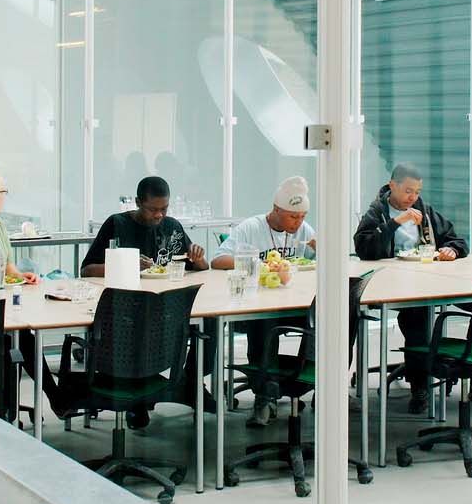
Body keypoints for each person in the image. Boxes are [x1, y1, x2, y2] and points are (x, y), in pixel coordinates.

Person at [353, 162, 469, 415]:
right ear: (392, 186)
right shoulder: (377, 212)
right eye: (407, 191)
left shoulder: (424, 211)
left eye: (417, 192)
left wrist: (452, 249)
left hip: (422, 281)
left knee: (434, 311)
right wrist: (396, 223)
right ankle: (421, 386)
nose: (412, 197)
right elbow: (364, 248)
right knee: (417, 318)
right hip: (386, 284)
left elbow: (457, 239)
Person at [214, 176, 318, 427]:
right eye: (293, 217)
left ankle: (309, 382)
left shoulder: (304, 230)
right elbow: (218, 260)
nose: (298, 222)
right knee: (265, 321)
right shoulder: (251, 228)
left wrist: (321, 249)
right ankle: (265, 395)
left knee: (324, 317)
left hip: (293, 304)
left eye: (302, 216)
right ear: (276, 210)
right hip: (257, 306)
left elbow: (314, 263)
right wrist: (260, 265)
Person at [80, 176, 208, 276]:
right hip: (127, 296)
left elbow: (200, 268)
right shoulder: (116, 224)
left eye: (164, 208)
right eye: (152, 209)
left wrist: (198, 258)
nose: (159, 215)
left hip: (166, 295)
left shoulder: (172, 227)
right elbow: (86, 270)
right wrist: (128, 266)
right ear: (138, 202)